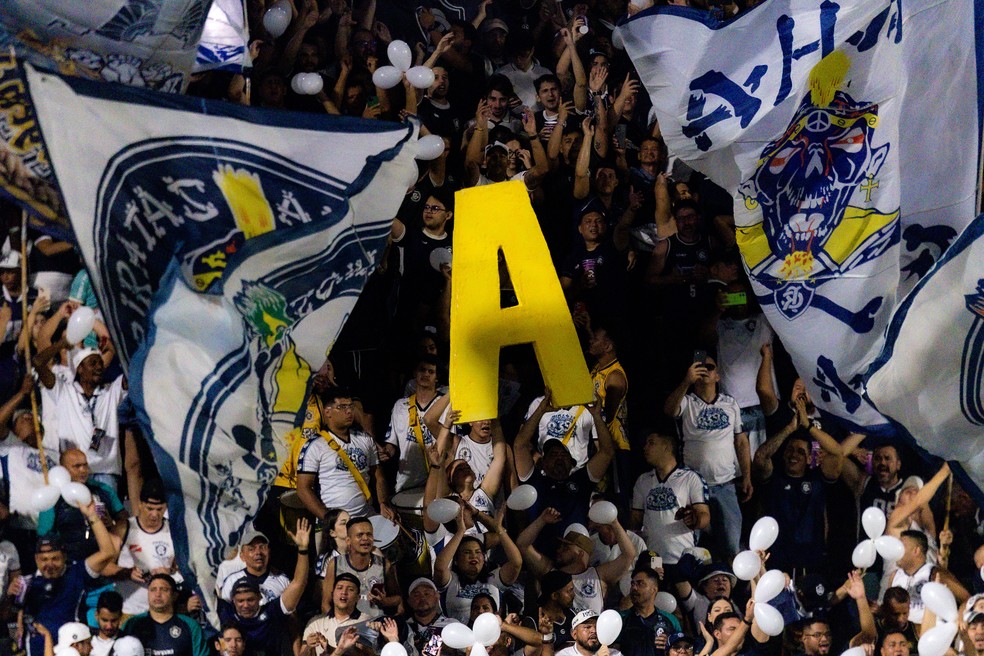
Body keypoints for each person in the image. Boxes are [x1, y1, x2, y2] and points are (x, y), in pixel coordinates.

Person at [665, 357, 752, 560]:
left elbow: (741, 442)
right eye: (700, 367)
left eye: (710, 367)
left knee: (731, 546)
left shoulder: (730, 403)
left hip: (725, 484)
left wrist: (747, 476)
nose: (704, 370)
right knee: (689, 547)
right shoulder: (687, 401)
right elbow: (669, 410)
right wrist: (686, 381)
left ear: (717, 375)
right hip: (693, 486)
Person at [515, 395, 615, 555]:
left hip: (575, 559)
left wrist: (596, 416)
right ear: (543, 462)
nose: (559, 458)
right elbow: (519, 445)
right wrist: (540, 410)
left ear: (572, 463)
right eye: (553, 454)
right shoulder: (534, 481)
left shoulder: (582, 480)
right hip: (540, 559)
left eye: (564, 455)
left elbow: (607, 452)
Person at [20, 502, 118, 656]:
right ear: (36, 559)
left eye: (55, 558)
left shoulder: (77, 572)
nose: (49, 565)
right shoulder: (27, 584)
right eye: (44, 560)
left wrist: (92, 516)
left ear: (64, 557)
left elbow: (108, 552)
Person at [297, 387, 395, 520]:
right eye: (342, 407)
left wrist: (383, 502)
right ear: (327, 412)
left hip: (366, 517)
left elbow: (378, 476)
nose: (349, 411)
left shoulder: (365, 439)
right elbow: (303, 489)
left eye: (350, 406)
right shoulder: (315, 445)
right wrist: (329, 520)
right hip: (335, 519)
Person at [218, 518, 312, 656]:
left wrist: (303, 550)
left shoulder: (272, 610)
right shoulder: (229, 596)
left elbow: (299, 583)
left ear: (259, 598)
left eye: (262, 547)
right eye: (240, 600)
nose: (245, 605)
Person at [518, 511, 637, 613]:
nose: (559, 550)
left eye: (566, 547)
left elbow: (629, 555)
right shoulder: (551, 572)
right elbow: (522, 544)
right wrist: (542, 520)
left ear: (580, 553)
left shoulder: (598, 576)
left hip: (590, 632)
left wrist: (614, 523)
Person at [631, 432, 710, 575]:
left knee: (681, 587)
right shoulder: (643, 480)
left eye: (651, 443)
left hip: (683, 556)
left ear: (666, 447)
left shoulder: (690, 478)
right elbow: (635, 520)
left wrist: (695, 519)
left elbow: (705, 515)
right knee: (658, 586)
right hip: (654, 557)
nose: (645, 448)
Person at [434, 505, 523, 622]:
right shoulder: (451, 580)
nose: (473, 556)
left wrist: (499, 528)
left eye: (478, 552)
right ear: (456, 560)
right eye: (467, 552)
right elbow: (440, 568)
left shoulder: (493, 579)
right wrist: (461, 531)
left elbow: (516, 563)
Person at [108, 479, 180, 615]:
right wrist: (128, 573)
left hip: (162, 612)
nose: (154, 514)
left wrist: (169, 572)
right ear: (140, 505)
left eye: (159, 509)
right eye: (150, 509)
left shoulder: (174, 531)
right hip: (129, 610)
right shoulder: (124, 528)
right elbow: (104, 566)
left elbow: (183, 567)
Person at [383, 355, 447, 493]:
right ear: (415, 373)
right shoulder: (400, 405)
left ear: (437, 377)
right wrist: (385, 452)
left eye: (431, 372)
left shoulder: (445, 405)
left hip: (438, 481)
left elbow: (453, 444)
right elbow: (392, 444)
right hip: (407, 482)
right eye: (422, 370)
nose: (426, 374)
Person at [320, 516, 401, 616]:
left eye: (369, 534)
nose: (365, 538)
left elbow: (397, 598)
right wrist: (338, 622)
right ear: (348, 541)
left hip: (375, 622)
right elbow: (325, 604)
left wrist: (384, 601)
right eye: (360, 535)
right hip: (346, 623)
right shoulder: (336, 564)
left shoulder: (384, 565)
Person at [121, 574, 209, 656]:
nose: (158, 594)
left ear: (174, 595)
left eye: (164, 590)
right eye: (153, 590)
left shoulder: (190, 626)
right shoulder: (132, 624)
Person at [616, 567, 682, 656]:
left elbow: (681, 650)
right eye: (632, 584)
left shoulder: (670, 620)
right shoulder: (620, 619)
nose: (634, 587)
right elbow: (611, 650)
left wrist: (671, 646)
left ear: (654, 590)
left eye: (640, 583)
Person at [218, 526, 289, 605]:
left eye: (262, 547)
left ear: (269, 552)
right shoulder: (231, 581)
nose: (258, 552)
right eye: (251, 549)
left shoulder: (283, 580)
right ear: (242, 556)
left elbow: (291, 611)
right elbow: (224, 611)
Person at [304, 573, 365, 655]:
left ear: (358, 597)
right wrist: (308, 647)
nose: (344, 592)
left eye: (350, 589)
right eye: (339, 588)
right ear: (332, 594)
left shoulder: (367, 622)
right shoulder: (316, 623)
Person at [403, 577, 454, 656]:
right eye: (416, 595)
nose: (422, 598)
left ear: (437, 597)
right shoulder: (403, 628)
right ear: (409, 601)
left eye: (427, 594)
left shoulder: (452, 625)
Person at [555, 610, 624, 656]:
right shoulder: (564, 654)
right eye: (587, 627)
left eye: (597, 627)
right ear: (574, 634)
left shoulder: (615, 654)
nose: (594, 631)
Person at [90, 591, 124, 656]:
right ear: (96, 615)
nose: (109, 626)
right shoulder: (84, 639)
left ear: (120, 617)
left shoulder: (127, 644)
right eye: (105, 620)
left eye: (113, 621)